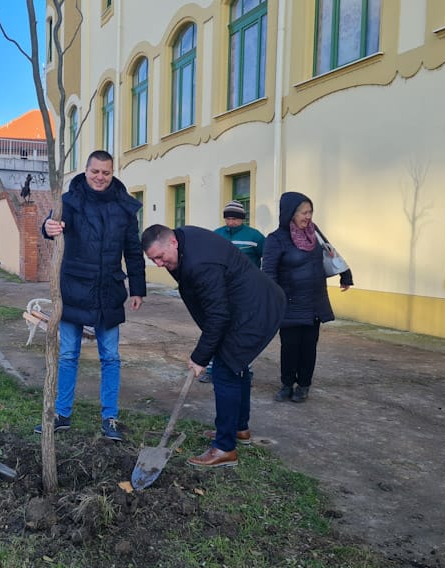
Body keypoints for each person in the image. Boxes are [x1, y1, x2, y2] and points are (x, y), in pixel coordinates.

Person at [142, 224, 286, 467]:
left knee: (226, 371)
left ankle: (224, 448)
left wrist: (200, 357)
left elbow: (218, 316)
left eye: (160, 257)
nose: (158, 263)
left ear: (173, 242)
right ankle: (238, 428)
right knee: (237, 367)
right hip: (245, 303)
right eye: (152, 259)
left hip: (254, 311)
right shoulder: (183, 242)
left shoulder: (200, 264)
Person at [35, 149, 146, 441]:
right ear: (86, 171)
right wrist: (47, 227)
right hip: (73, 287)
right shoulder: (69, 202)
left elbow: (133, 251)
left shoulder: (125, 207)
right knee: (69, 354)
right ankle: (61, 414)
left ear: (112, 173)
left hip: (108, 289)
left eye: (106, 172)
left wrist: (138, 288)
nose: (100, 177)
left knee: (110, 357)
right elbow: (50, 225)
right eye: (95, 171)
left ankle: (110, 417)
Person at [261, 191, 353, 403]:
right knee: (290, 346)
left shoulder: (315, 232)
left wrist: (346, 274)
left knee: (309, 346)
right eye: (304, 212)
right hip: (289, 303)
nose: (308, 217)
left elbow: (332, 253)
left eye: (310, 212)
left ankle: (304, 385)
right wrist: (271, 301)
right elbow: (269, 272)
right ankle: (286, 384)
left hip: (313, 301)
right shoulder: (276, 239)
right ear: (290, 213)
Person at [198, 199, 267, 384]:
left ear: (242, 219)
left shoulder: (255, 237)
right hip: (219, 291)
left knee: (243, 332)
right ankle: (212, 368)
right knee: (216, 329)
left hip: (245, 292)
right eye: (228, 219)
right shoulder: (216, 235)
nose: (231, 222)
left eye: (234, 219)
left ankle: (244, 368)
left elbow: (268, 259)